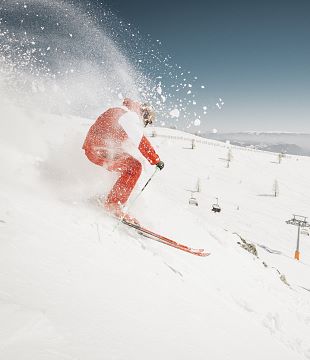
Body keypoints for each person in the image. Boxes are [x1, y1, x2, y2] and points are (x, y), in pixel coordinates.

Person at [83, 98, 164, 224]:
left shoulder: (124, 113)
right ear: (144, 114)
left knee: (128, 166)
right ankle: (113, 204)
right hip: (98, 148)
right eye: (147, 121)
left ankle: (111, 198)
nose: (146, 124)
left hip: (99, 147)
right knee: (134, 167)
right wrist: (155, 160)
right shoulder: (128, 116)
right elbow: (140, 140)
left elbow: (118, 135)